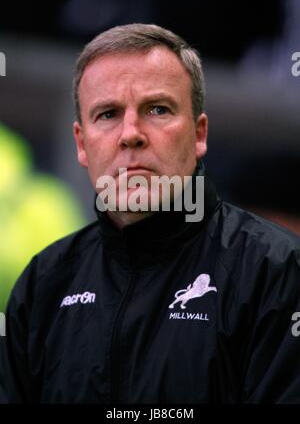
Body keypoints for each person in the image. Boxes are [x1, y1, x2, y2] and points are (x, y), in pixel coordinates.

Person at [1, 23, 300, 404]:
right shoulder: (44, 282)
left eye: (157, 109)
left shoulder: (275, 271)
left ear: (199, 134)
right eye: (107, 114)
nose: (131, 133)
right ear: (81, 143)